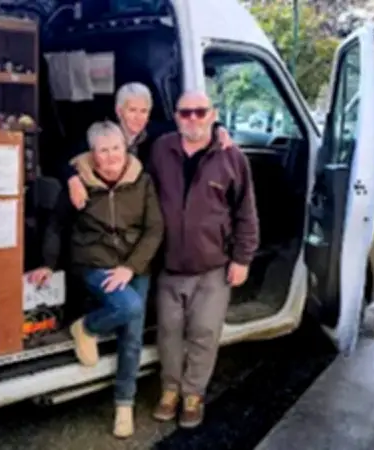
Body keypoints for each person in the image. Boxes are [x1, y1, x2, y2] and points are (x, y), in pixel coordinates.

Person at [28, 120, 164, 438]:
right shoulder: (79, 183)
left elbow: (154, 228)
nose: (112, 156)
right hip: (93, 262)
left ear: (125, 148)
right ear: (93, 155)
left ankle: (124, 405)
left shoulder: (142, 181)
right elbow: (57, 225)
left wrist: (131, 267)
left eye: (116, 148)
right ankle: (86, 328)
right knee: (130, 307)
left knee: (132, 335)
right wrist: (48, 263)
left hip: (134, 265)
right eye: (104, 150)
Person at [147, 91, 259, 428]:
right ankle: (170, 390)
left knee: (204, 333)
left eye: (200, 112)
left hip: (213, 267)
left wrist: (242, 258)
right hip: (168, 265)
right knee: (168, 333)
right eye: (185, 113)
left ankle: (192, 395)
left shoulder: (232, 157)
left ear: (213, 115)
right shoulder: (160, 149)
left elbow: (246, 213)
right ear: (176, 116)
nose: (192, 119)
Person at [63, 82, 234, 210]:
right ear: (119, 111)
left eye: (144, 111)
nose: (138, 117)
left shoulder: (157, 132)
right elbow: (62, 159)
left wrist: (217, 128)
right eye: (132, 110)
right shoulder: (104, 135)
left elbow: (190, 123)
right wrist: (73, 180)